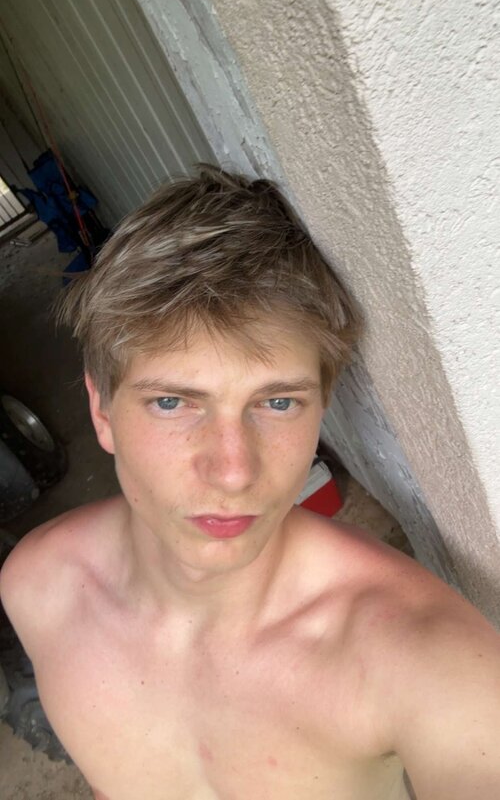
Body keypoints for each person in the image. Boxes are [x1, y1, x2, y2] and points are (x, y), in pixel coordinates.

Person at [1, 165, 500, 800]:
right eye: (172, 403)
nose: (234, 471)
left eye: (278, 403)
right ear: (102, 411)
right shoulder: (38, 587)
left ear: (322, 406)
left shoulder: (423, 658)